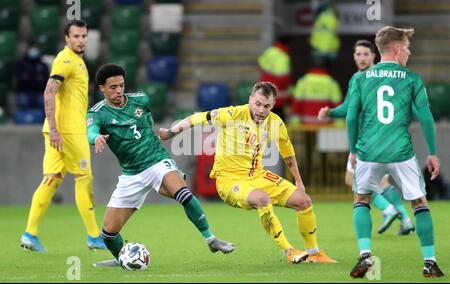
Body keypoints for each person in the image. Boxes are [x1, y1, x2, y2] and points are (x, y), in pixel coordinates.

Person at [160, 81, 336, 264]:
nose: (261, 110)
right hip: (229, 180)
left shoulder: (275, 122)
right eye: (258, 104)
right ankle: (289, 251)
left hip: (258, 176)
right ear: (250, 99)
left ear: (273, 105)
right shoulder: (232, 113)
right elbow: (197, 118)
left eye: (266, 106)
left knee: (304, 201)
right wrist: (170, 132)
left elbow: (288, 153)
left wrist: (298, 181)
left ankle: (314, 253)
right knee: (262, 199)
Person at [88, 64, 235, 267]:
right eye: (113, 87)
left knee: (182, 193)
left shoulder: (140, 99)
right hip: (132, 174)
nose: (119, 91)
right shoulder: (97, 113)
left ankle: (211, 239)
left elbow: (147, 119)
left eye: (121, 85)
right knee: (108, 234)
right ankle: (120, 258)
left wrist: (163, 136)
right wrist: (96, 138)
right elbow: (91, 131)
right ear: (101, 88)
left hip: (157, 160)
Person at [346, 26, 444, 278]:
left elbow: (351, 117)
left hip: (368, 151)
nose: (409, 52)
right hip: (401, 151)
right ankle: (429, 262)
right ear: (398, 49)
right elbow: (426, 117)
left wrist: (353, 149)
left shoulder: (360, 78)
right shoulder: (411, 79)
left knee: (361, 199)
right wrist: (432, 152)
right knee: (419, 203)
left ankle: (366, 256)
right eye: (408, 48)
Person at [20, 20, 106, 252]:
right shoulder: (66, 60)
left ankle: (30, 233)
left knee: (52, 179)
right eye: (76, 36)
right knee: (83, 178)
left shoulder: (77, 61)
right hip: (67, 131)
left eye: (84, 36)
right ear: (67, 38)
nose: (81, 40)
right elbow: (49, 92)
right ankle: (94, 236)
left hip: (58, 130)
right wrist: (57, 130)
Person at [318, 40, 415, 236]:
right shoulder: (383, 76)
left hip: (367, 141)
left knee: (353, 179)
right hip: (387, 138)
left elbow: (349, 112)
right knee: (382, 181)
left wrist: (331, 114)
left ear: (373, 56)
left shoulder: (360, 79)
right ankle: (405, 219)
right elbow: (348, 108)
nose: (361, 58)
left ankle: (389, 211)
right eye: (358, 54)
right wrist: (331, 112)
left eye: (365, 54)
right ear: (354, 57)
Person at [257, 35, 293, 120]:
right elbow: (284, 78)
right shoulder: (283, 57)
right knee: (278, 120)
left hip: (265, 90)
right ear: (287, 45)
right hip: (278, 94)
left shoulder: (270, 51)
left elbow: (260, 67)